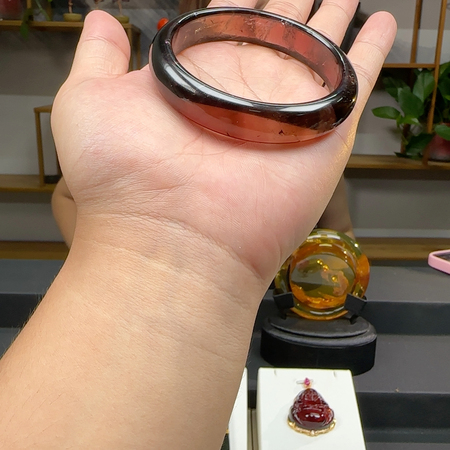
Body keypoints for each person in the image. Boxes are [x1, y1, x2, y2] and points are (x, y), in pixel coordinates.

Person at [0, 0, 396, 447]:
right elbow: (67, 197)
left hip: (258, 321)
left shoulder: (316, 171)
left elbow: (340, 237)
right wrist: (128, 256)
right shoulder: (148, 121)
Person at [52, 0, 355, 246]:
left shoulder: (313, 157)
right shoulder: (138, 130)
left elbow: (342, 231)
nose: (254, 31)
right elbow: (64, 197)